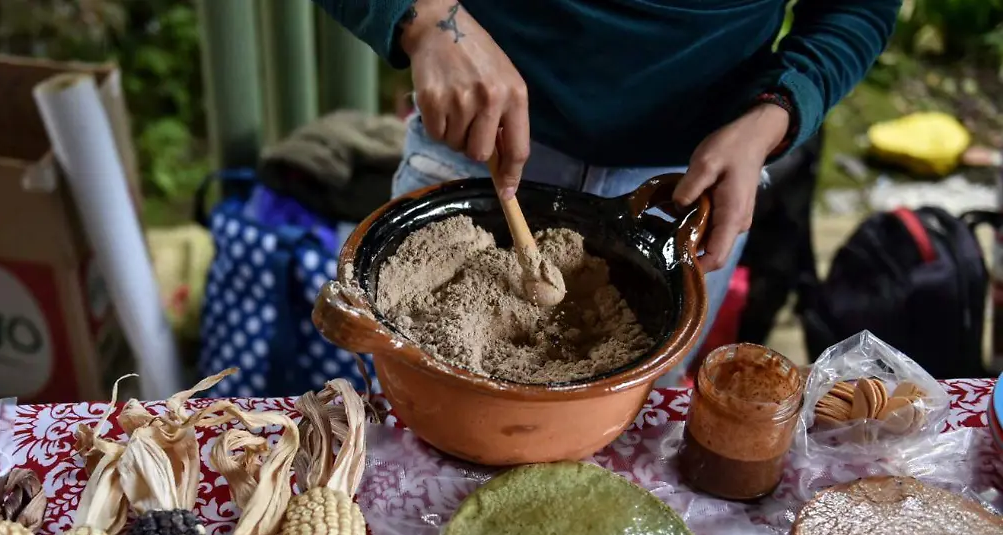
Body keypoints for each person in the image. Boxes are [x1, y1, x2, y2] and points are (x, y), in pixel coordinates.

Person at [311, 0, 900, 382]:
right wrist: (424, 20)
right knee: (403, 410)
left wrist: (776, 113)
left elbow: (859, 8)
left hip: (689, 178)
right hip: (477, 134)